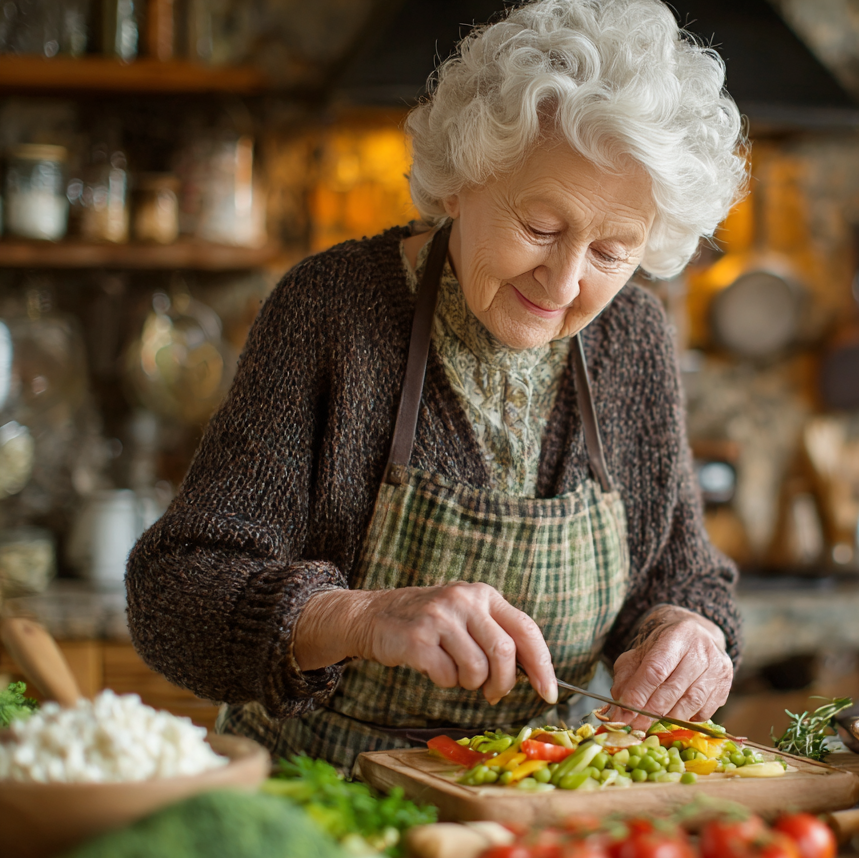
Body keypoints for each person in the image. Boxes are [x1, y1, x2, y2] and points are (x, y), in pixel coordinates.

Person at [126, 0, 747, 767]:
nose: (564, 280)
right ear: (463, 179)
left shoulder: (633, 340)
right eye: (541, 229)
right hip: (322, 805)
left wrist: (690, 633)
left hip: (531, 802)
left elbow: (682, 576)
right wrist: (360, 618)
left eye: (613, 252)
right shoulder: (333, 310)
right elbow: (174, 592)